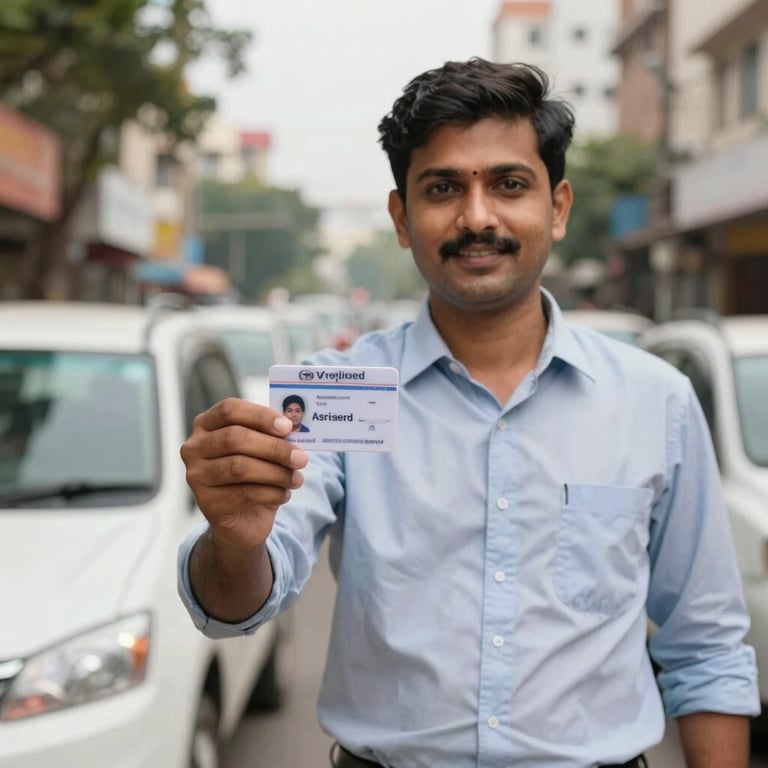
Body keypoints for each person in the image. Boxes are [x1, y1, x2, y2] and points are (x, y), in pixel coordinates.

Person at [178, 58, 759, 767]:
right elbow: (238, 604)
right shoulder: (335, 393)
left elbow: (706, 647)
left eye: (509, 185)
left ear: (558, 206)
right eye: (443, 188)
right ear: (401, 217)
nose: (477, 216)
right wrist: (235, 540)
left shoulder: (655, 400)